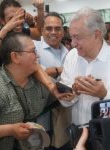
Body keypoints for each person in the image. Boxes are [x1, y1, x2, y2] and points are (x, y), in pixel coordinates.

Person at [59, 7, 110, 150]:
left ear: (96, 35)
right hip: (79, 139)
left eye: (77, 37)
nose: (72, 43)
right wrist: (74, 92)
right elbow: (64, 101)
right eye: (71, 37)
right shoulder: (72, 56)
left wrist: (104, 94)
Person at [34, 12, 71, 149]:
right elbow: (35, 71)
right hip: (40, 117)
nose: (53, 32)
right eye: (49, 28)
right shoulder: (34, 47)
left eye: (58, 28)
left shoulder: (68, 52)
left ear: (63, 30)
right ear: (42, 30)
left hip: (62, 116)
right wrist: (59, 70)